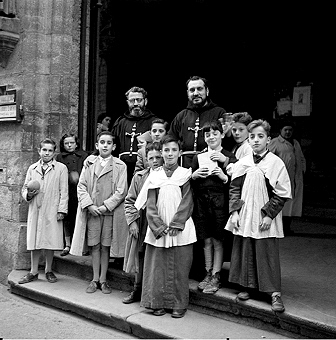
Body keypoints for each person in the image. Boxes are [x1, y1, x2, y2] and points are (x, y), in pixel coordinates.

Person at [225, 119, 291, 313]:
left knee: (266, 250)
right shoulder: (243, 163)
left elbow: (282, 193)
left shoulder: (275, 163)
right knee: (247, 248)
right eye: (252, 136)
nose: (255, 140)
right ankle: (249, 286)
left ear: (268, 139)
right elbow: (234, 188)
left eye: (260, 137)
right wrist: (235, 212)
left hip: (264, 214)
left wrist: (269, 215)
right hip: (246, 213)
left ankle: (274, 293)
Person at [134, 135, 197, 318]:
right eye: (166, 150)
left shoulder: (185, 174)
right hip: (159, 228)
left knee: (180, 267)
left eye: (173, 150)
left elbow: (188, 201)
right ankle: (157, 303)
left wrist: (177, 223)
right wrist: (158, 225)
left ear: (180, 152)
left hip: (180, 227)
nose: (170, 154)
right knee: (157, 267)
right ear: (161, 152)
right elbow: (150, 203)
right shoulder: (155, 175)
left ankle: (178, 304)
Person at [70, 131, 128, 294]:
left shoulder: (119, 165)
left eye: (109, 143)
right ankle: (94, 279)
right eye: (102, 142)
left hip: (109, 213)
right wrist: (89, 205)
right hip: (93, 212)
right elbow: (81, 186)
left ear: (114, 146)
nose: (105, 145)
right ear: (97, 145)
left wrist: (105, 206)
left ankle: (103, 280)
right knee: (94, 245)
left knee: (105, 246)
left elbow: (121, 191)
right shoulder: (89, 163)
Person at [191, 120, 237, 294]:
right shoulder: (198, 157)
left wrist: (224, 175)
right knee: (206, 239)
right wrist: (194, 175)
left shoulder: (229, 157)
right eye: (207, 134)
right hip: (202, 203)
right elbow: (191, 183)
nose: (211, 137)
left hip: (220, 204)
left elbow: (238, 184)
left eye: (215, 133)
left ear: (222, 135)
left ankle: (217, 275)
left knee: (218, 239)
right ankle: (207, 272)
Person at [19, 138, 68, 284]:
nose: (47, 153)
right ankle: (33, 271)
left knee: (50, 240)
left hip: (52, 207)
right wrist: (28, 194)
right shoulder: (32, 168)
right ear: (39, 151)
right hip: (36, 207)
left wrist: (62, 210)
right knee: (34, 240)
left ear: (54, 152)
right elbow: (24, 188)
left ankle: (48, 270)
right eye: (44, 150)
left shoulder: (61, 168)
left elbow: (64, 191)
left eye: (50, 150)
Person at [123, 142, 163, 304]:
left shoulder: (166, 177)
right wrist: (132, 222)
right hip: (141, 221)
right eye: (151, 158)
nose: (154, 161)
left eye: (157, 157)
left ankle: (152, 292)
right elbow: (129, 200)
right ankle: (137, 290)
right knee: (139, 254)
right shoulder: (139, 177)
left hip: (158, 221)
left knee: (155, 257)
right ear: (146, 160)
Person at [168, 76, 233, 168]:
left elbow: (228, 141)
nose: (195, 93)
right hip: (184, 165)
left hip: (212, 165)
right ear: (187, 93)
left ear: (207, 91)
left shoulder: (219, 113)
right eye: (192, 90)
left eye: (199, 89)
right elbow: (170, 140)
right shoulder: (181, 116)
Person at [111, 86, 157, 185]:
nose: (136, 103)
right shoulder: (120, 122)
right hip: (122, 170)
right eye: (132, 100)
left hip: (144, 168)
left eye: (139, 100)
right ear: (128, 102)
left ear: (145, 101)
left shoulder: (154, 122)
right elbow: (112, 144)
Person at [268, 119, 306, 235]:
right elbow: (268, 158)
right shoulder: (275, 142)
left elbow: (301, 158)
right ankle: (279, 228)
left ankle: (287, 228)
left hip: (295, 179)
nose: (288, 132)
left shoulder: (295, 143)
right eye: (286, 130)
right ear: (281, 131)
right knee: (281, 203)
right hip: (281, 178)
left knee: (292, 204)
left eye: (290, 130)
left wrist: (303, 170)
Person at [56, 134, 88, 256]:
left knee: (80, 216)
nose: (69, 145)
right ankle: (67, 244)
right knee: (68, 218)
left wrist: (78, 176)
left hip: (80, 191)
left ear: (76, 143)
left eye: (72, 143)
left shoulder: (84, 156)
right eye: (66, 143)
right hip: (67, 191)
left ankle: (82, 244)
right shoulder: (60, 157)